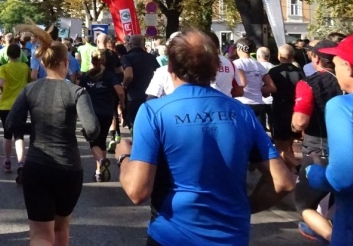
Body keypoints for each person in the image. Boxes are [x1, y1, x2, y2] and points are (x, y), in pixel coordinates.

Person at [116, 30, 295, 246]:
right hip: (232, 237)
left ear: (170, 67)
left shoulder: (154, 112)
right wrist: (243, 209)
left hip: (172, 236)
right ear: (216, 68)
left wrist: (124, 157)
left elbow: (137, 191)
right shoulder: (242, 112)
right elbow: (283, 182)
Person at [6, 26, 99, 246]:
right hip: (69, 168)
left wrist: (35, 128)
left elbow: (11, 124)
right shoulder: (77, 92)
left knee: (40, 235)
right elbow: (92, 129)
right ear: (66, 62)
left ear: (42, 63)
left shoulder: (30, 90)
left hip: (37, 166)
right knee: (61, 228)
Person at [306, 35, 353, 245]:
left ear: (349, 68)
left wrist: (316, 175)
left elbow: (344, 178)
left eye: (336, 64)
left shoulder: (343, 106)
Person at [291, 39, 343, 243]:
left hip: (318, 148)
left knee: (304, 204)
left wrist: (294, 126)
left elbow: (300, 121)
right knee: (341, 200)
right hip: (347, 148)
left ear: (316, 58)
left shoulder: (309, 83)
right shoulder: (350, 80)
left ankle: (334, 238)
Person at [80, 50, 124, 182]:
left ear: (91, 61)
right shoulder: (109, 75)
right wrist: (121, 103)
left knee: (93, 142)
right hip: (107, 112)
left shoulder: (86, 76)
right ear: (104, 61)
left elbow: (78, 92)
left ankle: (101, 160)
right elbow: (120, 91)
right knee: (102, 141)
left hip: (91, 113)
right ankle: (99, 172)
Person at [263, 45, 304, 171]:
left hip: (280, 109)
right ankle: (291, 172)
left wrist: (262, 90)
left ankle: (298, 167)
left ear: (279, 56)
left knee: (280, 147)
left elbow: (267, 91)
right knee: (290, 144)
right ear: (293, 56)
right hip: (295, 109)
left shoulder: (274, 71)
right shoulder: (300, 72)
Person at [0, 43, 30, 181]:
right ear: (20, 54)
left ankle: (7, 160)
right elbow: (30, 81)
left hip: (6, 105)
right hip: (21, 105)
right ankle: (21, 162)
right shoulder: (25, 67)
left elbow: (1, 83)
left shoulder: (3, 68)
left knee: (7, 133)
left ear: (7, 55)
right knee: (19, 134)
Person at [233, 38, 274, 129]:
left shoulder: (236, 64)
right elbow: (272, 87)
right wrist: (259, 90)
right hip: (259, 104)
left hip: (243, 104)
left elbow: (242, 83)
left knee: (243, 134)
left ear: (239, 48)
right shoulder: (259, 65)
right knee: (259, 134)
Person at [121, 35, 159, 130]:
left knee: (134, 123)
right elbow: (158, 72)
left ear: (130, 44)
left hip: (133, 95)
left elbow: (129, 75)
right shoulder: (151, 57)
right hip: (149, 94)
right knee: (148, 123)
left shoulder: (127, 57)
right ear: (143, 44)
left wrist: (124, 85)